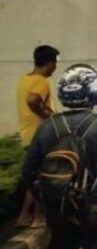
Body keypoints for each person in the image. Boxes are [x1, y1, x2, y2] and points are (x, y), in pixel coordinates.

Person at [22, 64, 97, 249]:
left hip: (59, 208)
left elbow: (28, 171)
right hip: (95, 206)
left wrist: (49, 196)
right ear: (94, 91)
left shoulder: (46, 126)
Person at [15, 45, 59, 227]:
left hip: (27, 133)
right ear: (49, 63)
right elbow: (32, 100)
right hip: (40, 135)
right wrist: (46, 116)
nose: (55, 67)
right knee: (44, 177)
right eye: (55, 63)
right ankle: (39, 217)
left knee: (35, 176)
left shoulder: (24, 80)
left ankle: (24, 216)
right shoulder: (41, 81)